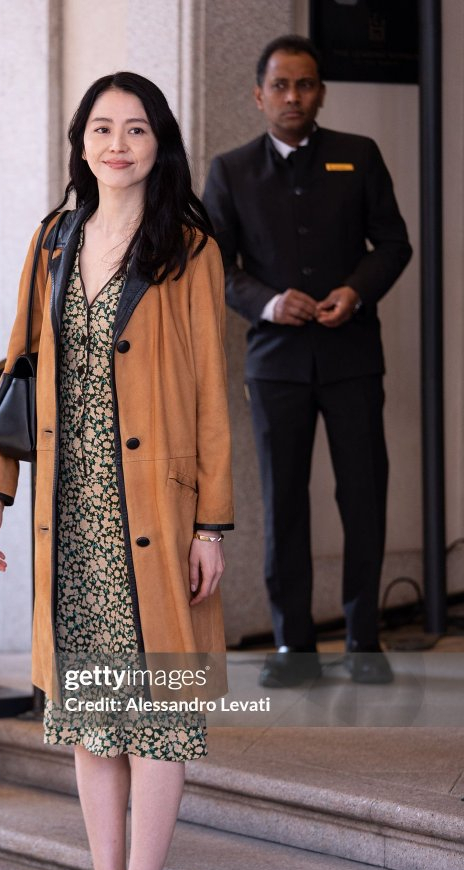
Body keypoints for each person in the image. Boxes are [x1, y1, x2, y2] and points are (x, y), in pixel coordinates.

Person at [0, 72, 233, 870]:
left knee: (155, 713)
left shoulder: (188, 247)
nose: (118, 145)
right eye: (102, 128)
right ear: (81, 141)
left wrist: (212, 525)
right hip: (70, 514)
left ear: (161, 143)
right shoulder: (54, 238)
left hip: (155, 512)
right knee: (91, 714)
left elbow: (212, 395)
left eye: (137, 129)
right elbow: (17, 372)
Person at [203, 35, 411, 688]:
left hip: (353, 358)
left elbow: (394, 243)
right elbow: (215, 266)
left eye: (306, 84)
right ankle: (293, 646)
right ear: (258, 95)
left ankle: (363, 640)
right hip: (275, 365)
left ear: (320, 92)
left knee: (364, 497)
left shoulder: (359, 154)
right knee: (284, 504)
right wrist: (267, 303)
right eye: (281, 85)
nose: (293, 96)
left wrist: (355, 290)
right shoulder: (231, 169)